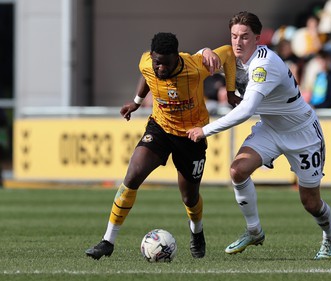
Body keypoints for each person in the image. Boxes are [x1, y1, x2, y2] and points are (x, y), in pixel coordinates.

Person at [187, 11, 331, 260]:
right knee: (237, 170)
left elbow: (246, 111)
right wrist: (204, 51)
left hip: (302, 133)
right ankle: (254, 230)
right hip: (270, 128)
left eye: (245, 37)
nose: (238, 42)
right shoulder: (232, 55)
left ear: (257, 38)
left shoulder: (264, 64)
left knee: (310, 202)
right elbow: (192, 63)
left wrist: (204, 131)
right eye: (234, 36)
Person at [85, 32, 236, 260]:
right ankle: (108, 241)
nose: (160, 68)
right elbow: (147, 75)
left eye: (166, 63)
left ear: (177, 57)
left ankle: (197, 232)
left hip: (191, 135)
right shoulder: (147, 62)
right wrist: (136, 103)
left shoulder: (195, 67)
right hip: (160, 128)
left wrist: (231, 91)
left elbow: (229, 53)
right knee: (133, 175)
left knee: (189, 197)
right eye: (157, 62)